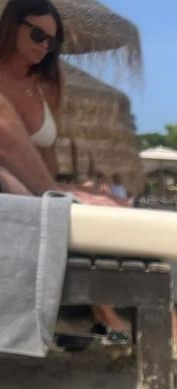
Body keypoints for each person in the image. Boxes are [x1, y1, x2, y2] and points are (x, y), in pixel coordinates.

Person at [0, 0, 131, 342]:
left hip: (29, 184)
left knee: (105, 205)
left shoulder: (48, 82)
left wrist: (66, 188)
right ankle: (101, 310)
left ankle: (153, 316)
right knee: (50, 203)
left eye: (53, 41)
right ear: (12, 25)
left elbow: (46, 156)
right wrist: (59, 196)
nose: (45, 45)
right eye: (38, 34)